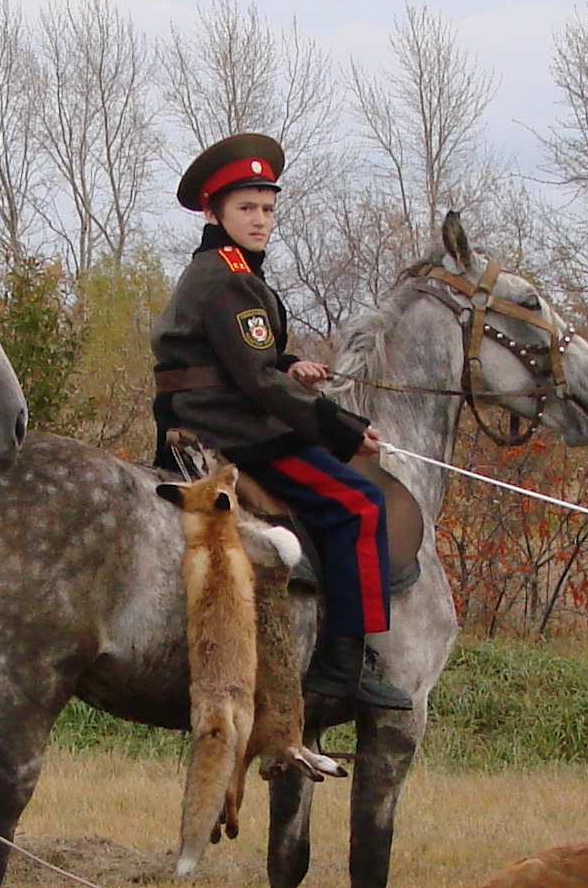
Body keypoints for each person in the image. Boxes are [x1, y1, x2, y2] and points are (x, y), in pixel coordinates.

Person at [150, 133, 411, 714]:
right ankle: (342, 669)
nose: (261, 219)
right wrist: (341, 427)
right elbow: (256, 384)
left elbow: (245, 358)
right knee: (361, 504)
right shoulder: (228, 278)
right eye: (247, 208)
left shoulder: (224, 271)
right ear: (214, 211)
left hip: (214, 415)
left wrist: (291, 363)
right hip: (235, 431)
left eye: (268, 208)